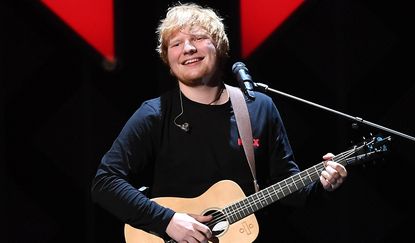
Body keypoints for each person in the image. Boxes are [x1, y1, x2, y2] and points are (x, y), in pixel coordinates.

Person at [91, 2, 347, 243]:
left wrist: (322, 185)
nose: (188, 48)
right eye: (176, 43)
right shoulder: (154, 114)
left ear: (220, 46)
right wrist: (167, 221)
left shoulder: (258, 107)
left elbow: (290, 188)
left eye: (198, 38)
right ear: (168, 59)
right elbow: (105, 182)